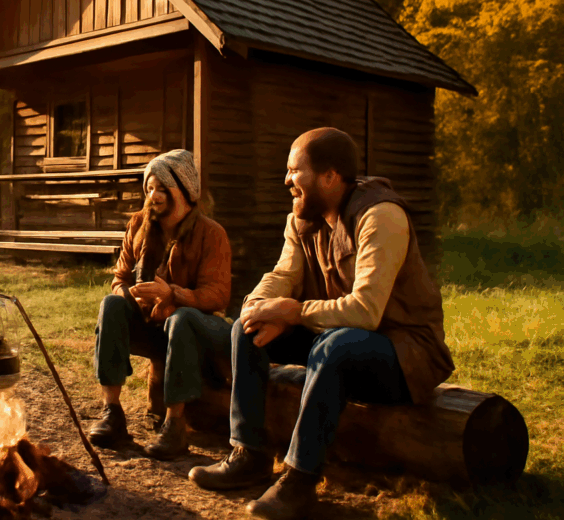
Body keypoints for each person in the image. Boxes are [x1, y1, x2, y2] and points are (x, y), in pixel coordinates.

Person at [188, 127, 455, 520]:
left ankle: (300, 480)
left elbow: (366, 311)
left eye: (295, 171)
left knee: (336, 346)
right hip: (340, 337)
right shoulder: (302, 220)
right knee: (246, 330)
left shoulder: (381, 216)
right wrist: (258, 307)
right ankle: (249, 453)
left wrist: (292, 313)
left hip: (404, 353)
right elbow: (282, 276)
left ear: (330, 177)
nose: (286, 181)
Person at [88, 149, 232, 460]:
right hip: (151, 324)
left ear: (184, 191)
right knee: (112, 305)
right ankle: (112, 413)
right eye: (149, 188)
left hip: (194, 330)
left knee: (180, 320)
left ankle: (174, 426)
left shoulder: (211, 233)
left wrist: (173, 295)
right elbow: (120, 277)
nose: (153, 195)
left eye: (162, 188)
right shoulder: (139, 224)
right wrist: (130, 295)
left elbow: (218, 295)